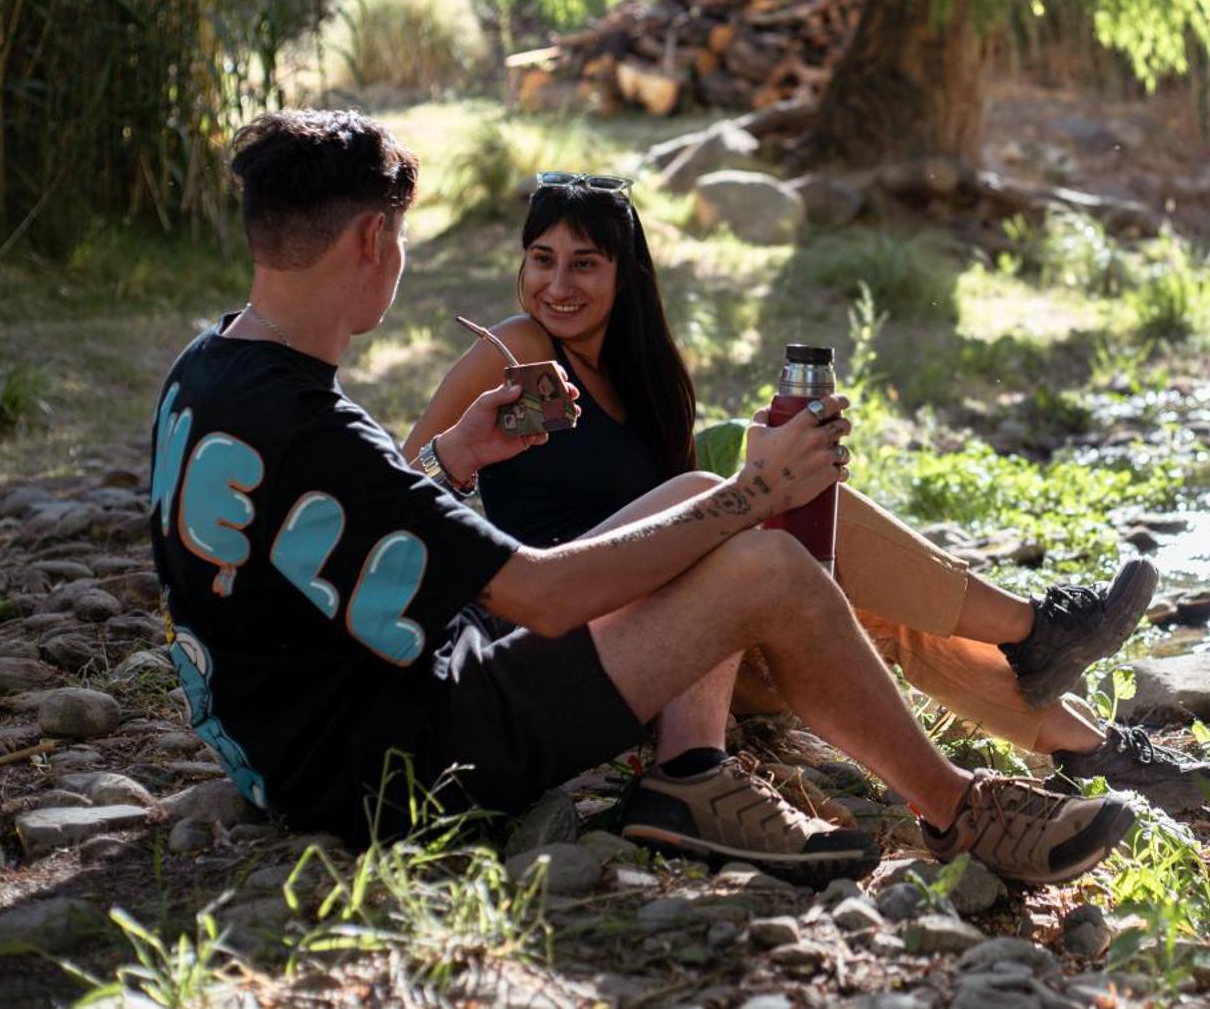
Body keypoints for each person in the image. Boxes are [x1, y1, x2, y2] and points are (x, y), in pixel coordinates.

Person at [147, 109, 1139, 889]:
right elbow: (533, 593)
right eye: (399, 240)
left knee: (700, 489)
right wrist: (758, 493)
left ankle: (693, 774)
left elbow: (326, 528)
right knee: (763, 557)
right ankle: (957, 809)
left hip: (310, 734)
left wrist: (456, 453)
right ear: (371, 239)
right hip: (408, 757)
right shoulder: (325, 430)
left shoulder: (209, 365)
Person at [401, 171, 1210, 810]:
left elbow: (688, 520)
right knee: (766, 529)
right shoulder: (510, 351)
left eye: (585, 261)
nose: (558, 284)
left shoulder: (646, 377)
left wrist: (786, 467)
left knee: (878, 618)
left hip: (681, 642)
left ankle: (1092, 748)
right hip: (579, 641)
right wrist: (467, 447)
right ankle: (1036, 631)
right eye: (541, 259)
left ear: (625, 273)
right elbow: (406, 490)